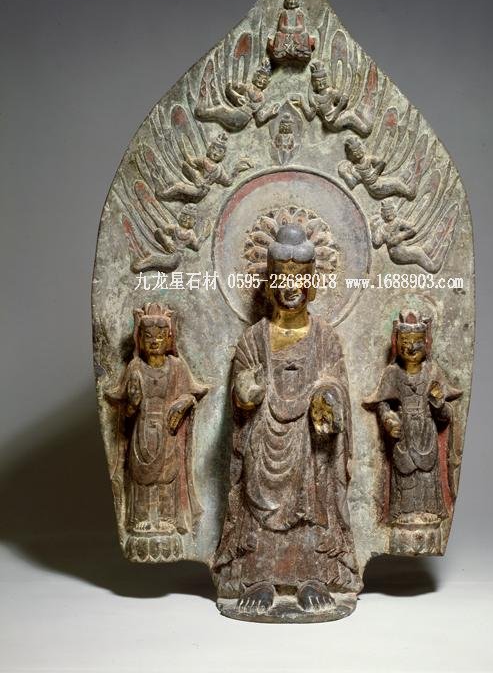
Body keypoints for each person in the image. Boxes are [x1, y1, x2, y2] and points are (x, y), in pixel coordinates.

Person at [213, 224, 360, 616]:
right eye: (280, 278)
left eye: (299, 278)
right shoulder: (253, 338)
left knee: (314, 495)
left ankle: (313, 577)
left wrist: (327, 398)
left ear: (311, 283)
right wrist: (245, 394)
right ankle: (258, 578)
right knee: (256, 495)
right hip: (264, 440)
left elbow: (335, 382)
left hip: (311, 444)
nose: (290, 287)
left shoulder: (325, 337)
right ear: (268, 284)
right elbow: (240, 395)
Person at [105, 303, 208, 559]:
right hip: (142, 429)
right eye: (148, 336)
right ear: (139, 339)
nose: (154, 341)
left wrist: (184, 403)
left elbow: (193, 393)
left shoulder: (177, 367)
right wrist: (132, 403)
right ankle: (141, 518)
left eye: (160, 336)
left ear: (169, 338)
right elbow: (125, 410)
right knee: (140, 474)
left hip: (168, 430)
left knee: (167, 474)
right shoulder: (135, 367)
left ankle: (166, 519)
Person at [363, 311, 461, 524]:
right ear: (397, 343)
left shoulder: (432, 372)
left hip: (426, 433)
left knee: (427, 478)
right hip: (404, 436)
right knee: (405, 478)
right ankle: (402, 515)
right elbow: (382, 404)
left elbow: (445, 417)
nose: (411, 348)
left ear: (426, 343)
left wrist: (437, 404)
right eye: (405, 342)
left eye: (417, 342)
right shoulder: (392, 373)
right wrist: (388, 420)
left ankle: (430, 515)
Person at [338, 136, 418, 200]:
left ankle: (403, 187)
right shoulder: (354, 168)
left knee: (396, 182)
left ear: (362, 148)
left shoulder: (369, 159)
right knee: (396, 183)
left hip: (379, 181)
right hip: (375, 188)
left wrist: (375, 173)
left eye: (359, 149)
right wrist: (344, 174)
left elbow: (382, 163)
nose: (358, 153)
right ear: (350, 155)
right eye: (355, 152)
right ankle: (410, 193)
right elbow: (353, 183)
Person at [267, 0, 315, 64]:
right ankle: (280, 52)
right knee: (278, 34)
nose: (291, 2)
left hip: (297, 33)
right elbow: (281, 27)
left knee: (305, 35)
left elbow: (301, 27)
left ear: (297, 0)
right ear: (286, 0)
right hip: (285, 33)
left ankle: (302, 52)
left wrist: (292, 30)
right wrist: (289, 30)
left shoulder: (299, 13)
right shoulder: (284, 13)